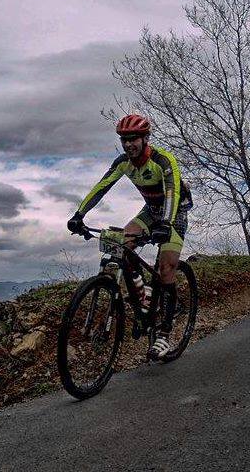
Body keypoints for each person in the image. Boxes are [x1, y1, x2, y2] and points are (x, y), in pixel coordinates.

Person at [67, 114, 193, 360]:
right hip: (151, 211)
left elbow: (172, 192)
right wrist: (79, 214)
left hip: (174, 212)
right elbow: (101, 187)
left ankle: (164, 334)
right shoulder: (123, 162)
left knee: (166, 267)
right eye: (124, 140)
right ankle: (143, 292)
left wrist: (166, 224)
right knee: (120, 242)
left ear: (145, 138)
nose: (128, 144)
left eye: (133, 139)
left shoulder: (162, 160)